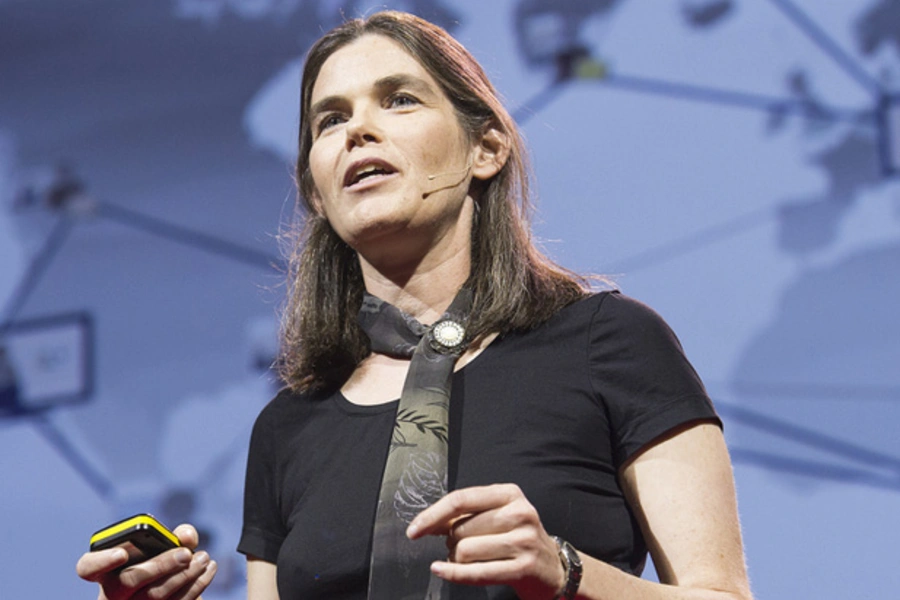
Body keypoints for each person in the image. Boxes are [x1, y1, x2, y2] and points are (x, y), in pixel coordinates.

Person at [78, 10, 752, 600]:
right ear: (315, 192)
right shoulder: (288, 427)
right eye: (330, 120)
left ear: (486, 148)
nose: (357, 132)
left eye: (397, 100)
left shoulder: (610, 342)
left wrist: (567, 572)